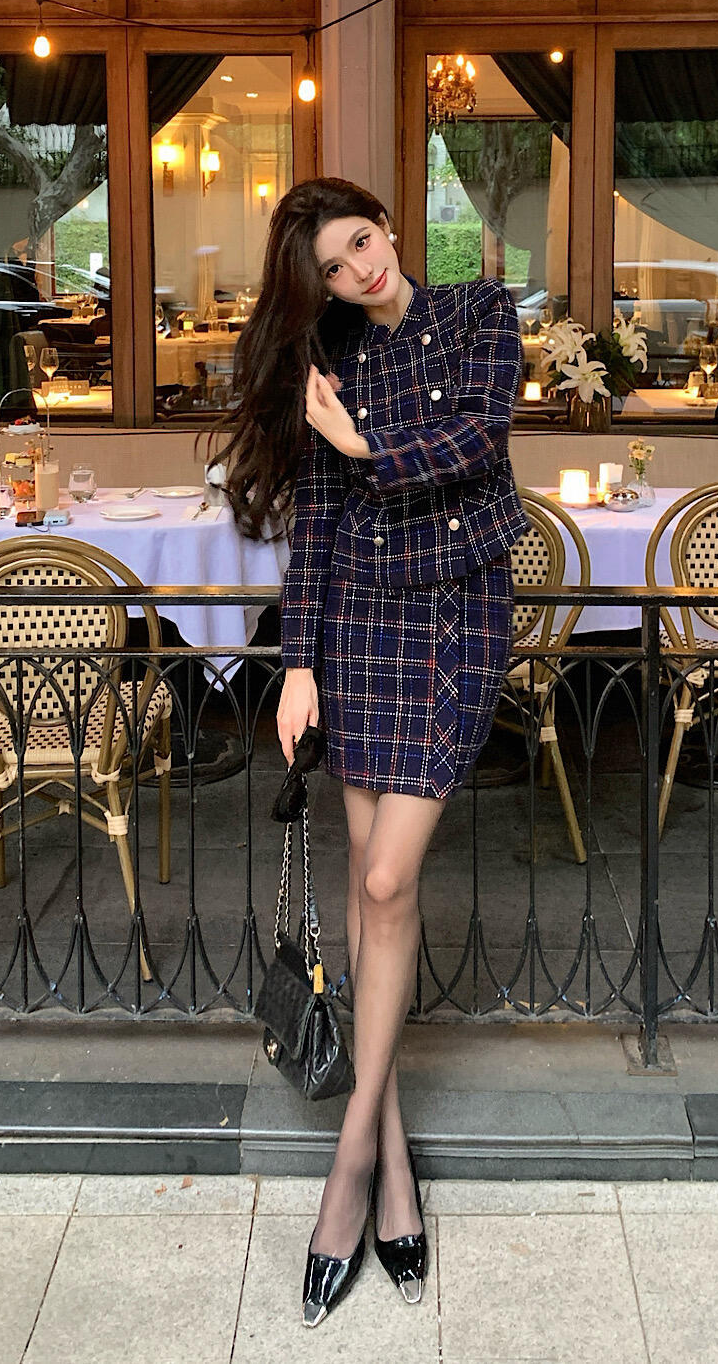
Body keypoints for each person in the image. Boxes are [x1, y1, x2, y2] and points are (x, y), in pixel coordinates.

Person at [217, 177, 529, 1327]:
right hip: (356, 625)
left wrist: (363, 438)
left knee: (388, 878)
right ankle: (393, 1169)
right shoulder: (330, 355)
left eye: (362, 241)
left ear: (388, 225)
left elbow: (478, 438)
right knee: (364, 885)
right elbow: (317, 518)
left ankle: (346, 1164)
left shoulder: (478, 311)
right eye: (335, 266)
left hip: (457, 613)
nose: (360, 269)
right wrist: (296, 662)